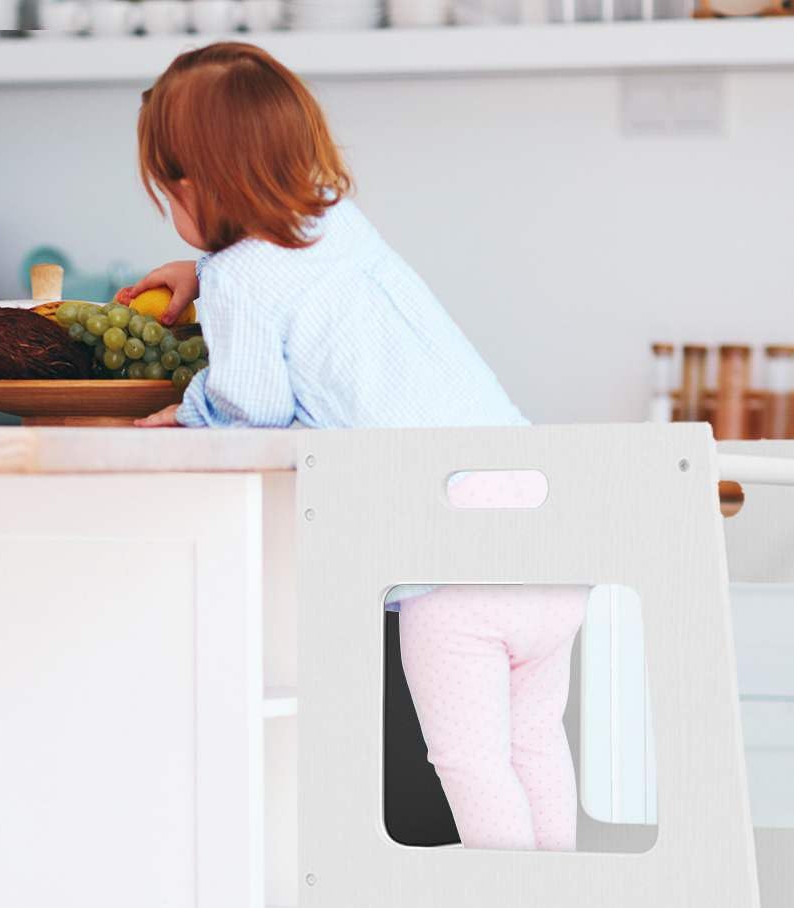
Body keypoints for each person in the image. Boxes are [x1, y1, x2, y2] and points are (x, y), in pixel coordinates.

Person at [121, 42, 585, 852]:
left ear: (190, 183)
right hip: (544, 521)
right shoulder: (340, 224)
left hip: (454, 562)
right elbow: (290, 278)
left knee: (470, 763)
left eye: (170, 190)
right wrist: (206, 271)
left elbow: (251, 406)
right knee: (534, 745)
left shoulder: (241, 282)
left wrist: (188, 408)